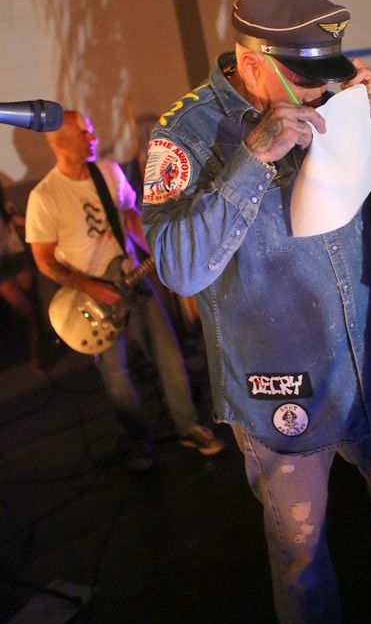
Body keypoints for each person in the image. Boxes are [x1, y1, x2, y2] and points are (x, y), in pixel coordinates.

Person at [141, 0, 371, 624]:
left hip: (364, 358)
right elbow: (179, 269)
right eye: (301, 77)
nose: (316, 92)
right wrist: (253, 156)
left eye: (323, 74)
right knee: (299, 547)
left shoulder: (329, 96)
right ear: (252, 64)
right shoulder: (184, 133)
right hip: (279, 381)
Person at [25, 111, 224, 471]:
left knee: (170, 357)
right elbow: (45, 261)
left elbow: (130, 216)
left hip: (133, 279)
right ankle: (138, 443)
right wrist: (91, 287)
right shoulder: (44, 196)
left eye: (90, 130)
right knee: (116, 377)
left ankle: (189, 427)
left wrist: (159, 252)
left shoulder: (107, 171)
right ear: (60, 143)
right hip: (91, 300)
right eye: (84, 134)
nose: (93, 138)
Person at [0, 180, 45, 371]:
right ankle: (30, 353)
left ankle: (35, 354)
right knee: (24, 309)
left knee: (31, 308)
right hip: (3, 267)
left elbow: (25, 225)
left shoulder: (6, 207)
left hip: (18, 258)